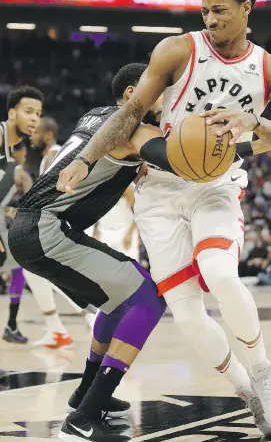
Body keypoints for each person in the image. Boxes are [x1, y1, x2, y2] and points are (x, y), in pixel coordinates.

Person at [57, 0, 271, 434]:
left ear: (247, 8)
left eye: (221, 10)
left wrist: (253, 121)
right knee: (188, 313)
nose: (210, 19)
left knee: (218, 270)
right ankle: (245, 390)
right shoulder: (177, 50)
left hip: (216, 184)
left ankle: (263, 371)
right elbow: (130, 114)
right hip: (160, 191)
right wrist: (86, 160)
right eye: (205, 11)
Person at [9, 63, 167, 442]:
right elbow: (178, 156)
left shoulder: (94, 114)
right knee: (150, 299)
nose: (166, 96)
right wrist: (249, 142)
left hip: (33, 227)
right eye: (159, 88)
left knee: (116, 303)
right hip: (48, 228)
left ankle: (85, 392)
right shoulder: (132, 127)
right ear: (133, 94)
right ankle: (84, 416)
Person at [25, 116, 95, 348]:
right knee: (35, 271)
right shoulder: (49, 157)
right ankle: (57, 329)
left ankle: (92, 315)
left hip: (65, 223)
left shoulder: (56, 152)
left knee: (48, 272)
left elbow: (63, 192)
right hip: (59, 222)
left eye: (36, 132)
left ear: (47, 135)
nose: (31, 136)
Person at [0, 86, 43, 346]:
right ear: (12, 113)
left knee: (17, 265)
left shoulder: (17, 150)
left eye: (38, 113)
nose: (34, 118)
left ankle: (12, 324)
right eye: (28, 112)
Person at [2, 142, 33, 343]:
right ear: (18, 152)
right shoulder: (18, 171)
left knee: (18, 273)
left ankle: (12, 325)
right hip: (5, 230)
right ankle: (11, 324)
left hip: (8, 228)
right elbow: (32, 200)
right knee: (18, 273)